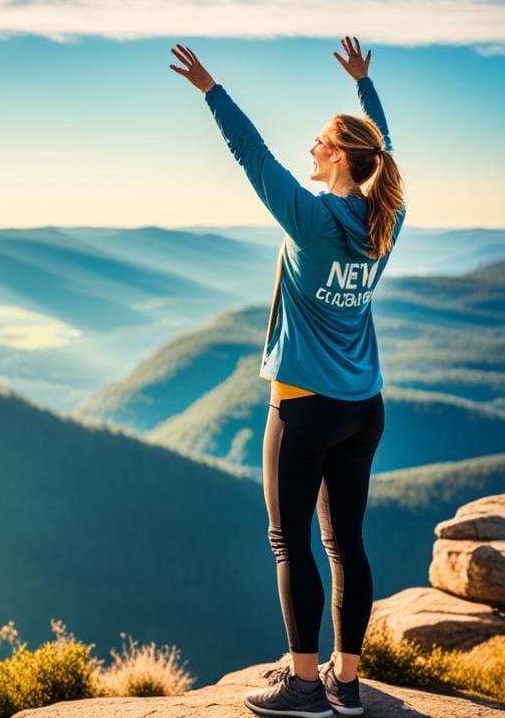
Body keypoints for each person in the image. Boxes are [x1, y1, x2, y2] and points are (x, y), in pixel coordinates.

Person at [170, 36, 406, 718]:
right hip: (365, 407)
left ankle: (303, 686)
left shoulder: (310, 219)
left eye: (319, 141)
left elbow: (254, 157)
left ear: (338, 154)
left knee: (289, 542)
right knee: (346, 544)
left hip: (304, 407)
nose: (308, 149)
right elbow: (383, 149)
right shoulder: (385, 218)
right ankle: (346, 684)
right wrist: (365, 87)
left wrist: (213, 91)